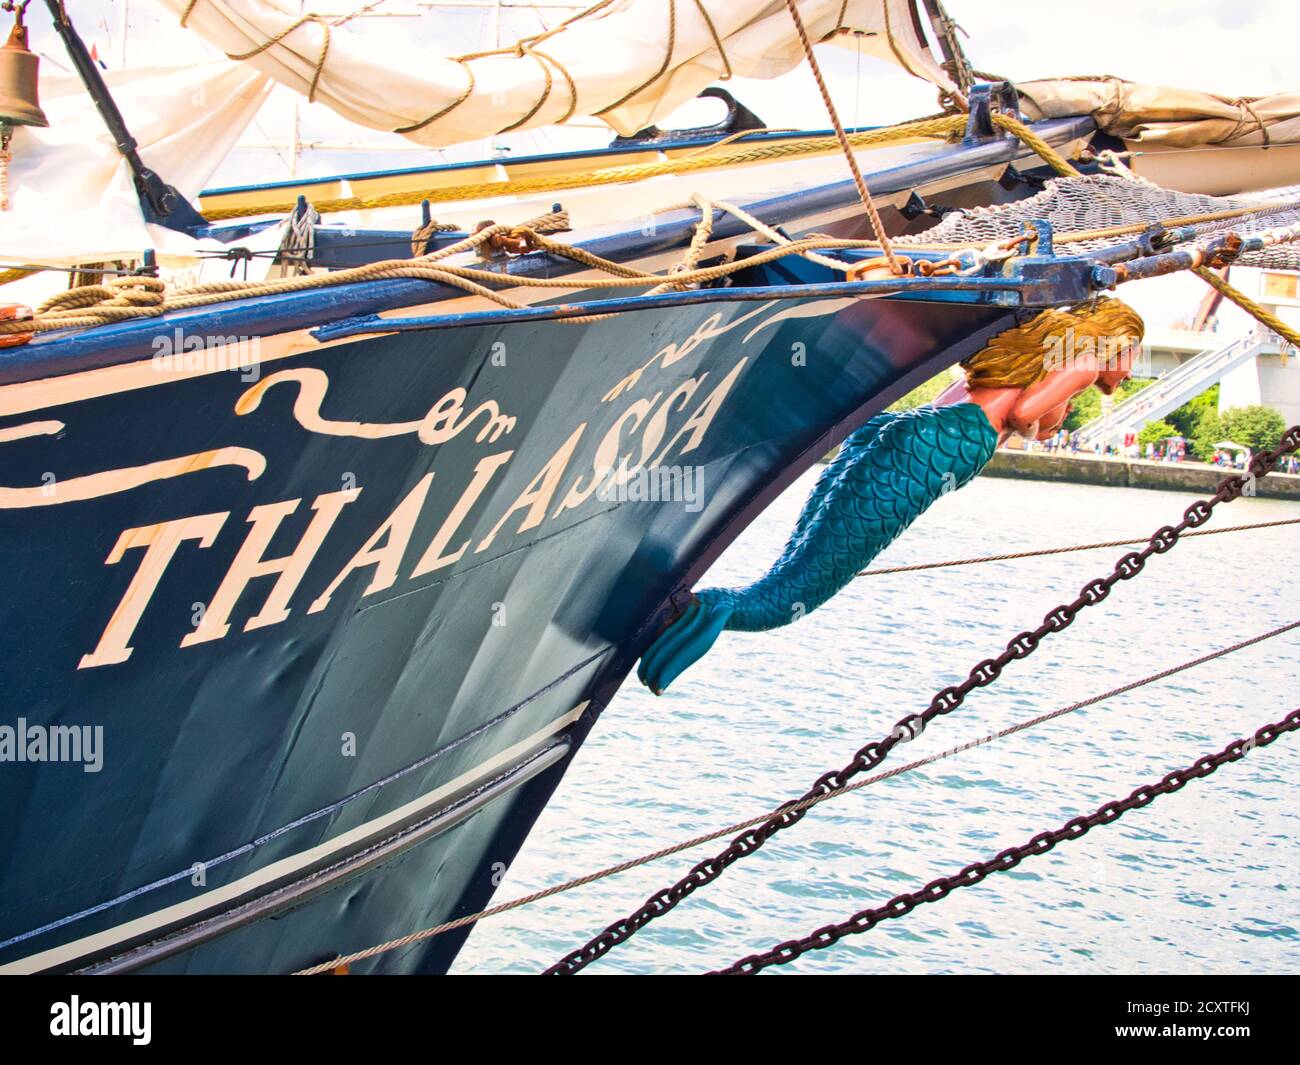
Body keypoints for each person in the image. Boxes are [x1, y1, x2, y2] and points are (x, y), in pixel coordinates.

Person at [637, 299, 1144, 693]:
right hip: (943, 451)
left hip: (917, 431)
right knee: (804, 585)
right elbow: (1022, 412)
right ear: (1118, 341)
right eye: (1133, 354)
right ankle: (707, 612)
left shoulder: (1037, 351)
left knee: (803, 554)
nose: (1129, 369)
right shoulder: (1080, 361)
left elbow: (960, 398)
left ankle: (688, 610)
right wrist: (1048, 415)